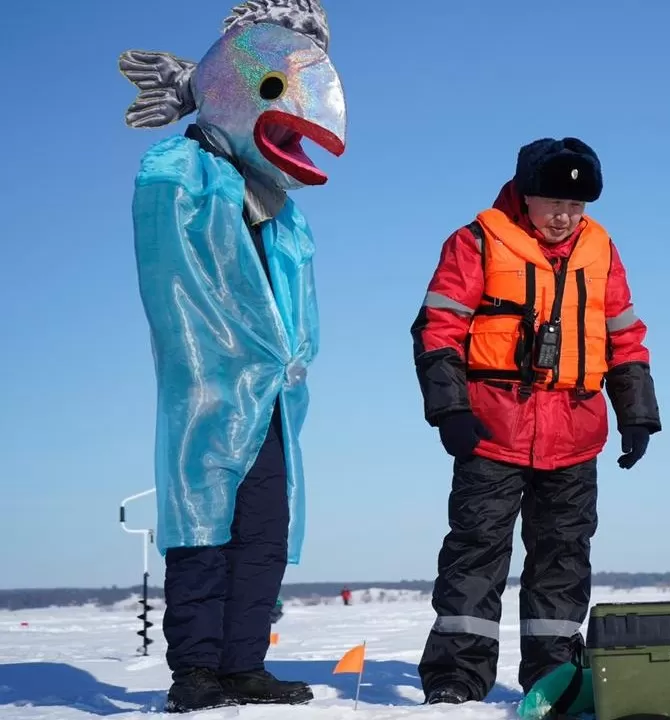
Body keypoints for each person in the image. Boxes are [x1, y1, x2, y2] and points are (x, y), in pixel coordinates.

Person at [119, 0, 346, 712]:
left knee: (262, 531)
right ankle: (196, 671)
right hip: (210, 389)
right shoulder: (180, 167)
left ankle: (244, 662)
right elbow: (174, 278)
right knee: (201, 524)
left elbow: (294, 301)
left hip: (271, 396)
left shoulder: (277, 200)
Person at [410, 137, 661, 704]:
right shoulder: (476, 241)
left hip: (575, 433)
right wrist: (450, 409)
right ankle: (456, 679)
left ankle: (554, 678)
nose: (565, 216)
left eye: (576, 207)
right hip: (492, 432)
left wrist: (636, 415)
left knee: (563, 559)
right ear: (526, 195)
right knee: (475, 553)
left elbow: (625, 337)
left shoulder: (601, 251)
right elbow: (437, 328)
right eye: (554, 203)